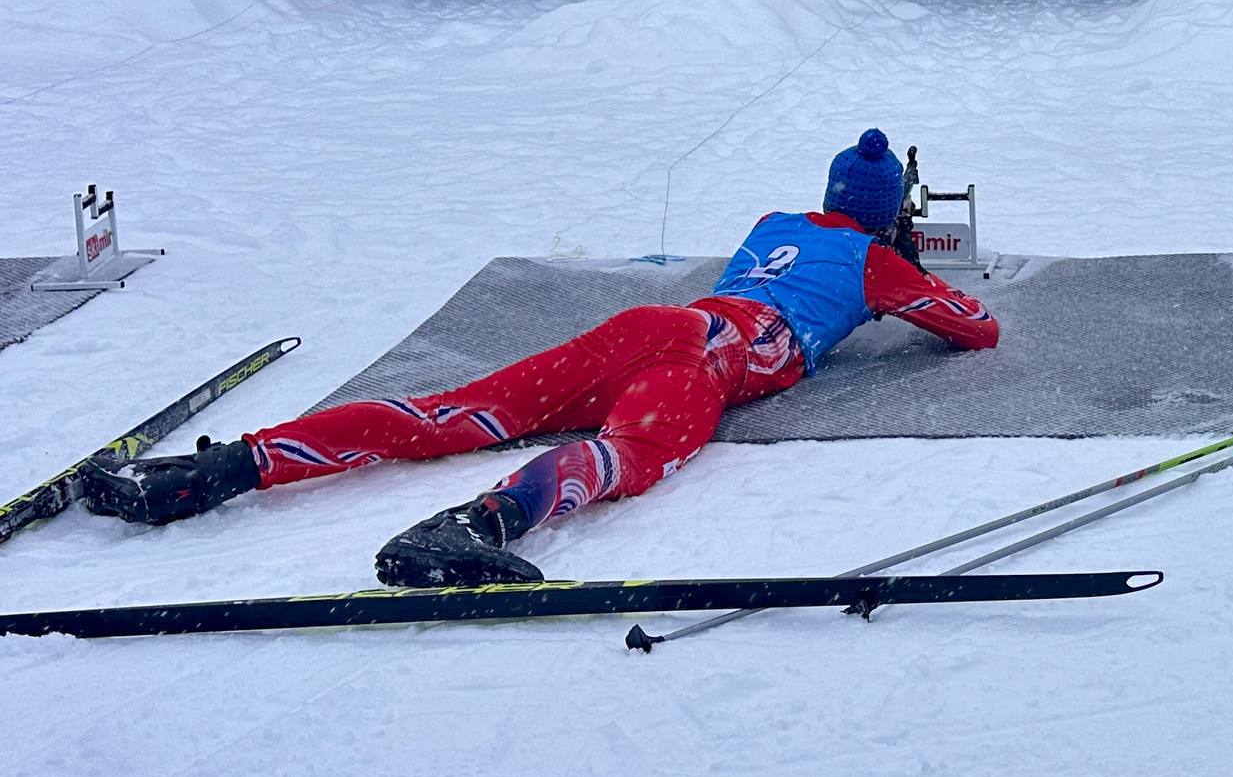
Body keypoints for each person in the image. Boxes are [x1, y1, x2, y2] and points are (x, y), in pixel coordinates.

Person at [80, 130, 999, 586]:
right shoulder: (876, 260)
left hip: (652, 325)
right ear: (885, 211)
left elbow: (807, 263)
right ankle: (478, 528)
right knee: (627, 457)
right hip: (704, 362)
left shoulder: (774, 221)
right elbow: (975, 327)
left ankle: (220, 470)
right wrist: (901, 271)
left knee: (450, 413)